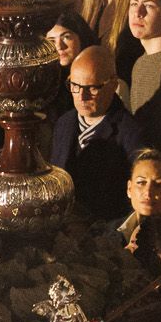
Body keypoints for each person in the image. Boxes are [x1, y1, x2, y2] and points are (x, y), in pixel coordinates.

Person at [50, 44, 146, 221]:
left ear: (113, 84)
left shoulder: (130, 133)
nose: (82, 96)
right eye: (75, 86)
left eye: (93, 88)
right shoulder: (64, 123)